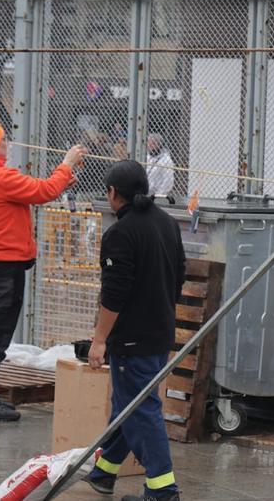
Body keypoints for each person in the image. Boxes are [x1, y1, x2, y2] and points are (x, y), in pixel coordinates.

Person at [0, 121, 86, 421]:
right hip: (5, 266)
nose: (7, 144)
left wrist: (59, 181)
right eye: (2, 140)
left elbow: (30, 194)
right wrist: (66, 164)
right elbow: (43, 191)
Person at [84, 159, 185, 501]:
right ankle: (105, 471)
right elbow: (179, 276)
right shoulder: (168, 224)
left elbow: (114, 295)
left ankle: (162, 490)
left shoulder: (120, 234)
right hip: (159, 331)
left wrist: (99, 341)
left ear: (113, 193)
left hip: (132, 337)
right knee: (129, 403)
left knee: (141, 409)